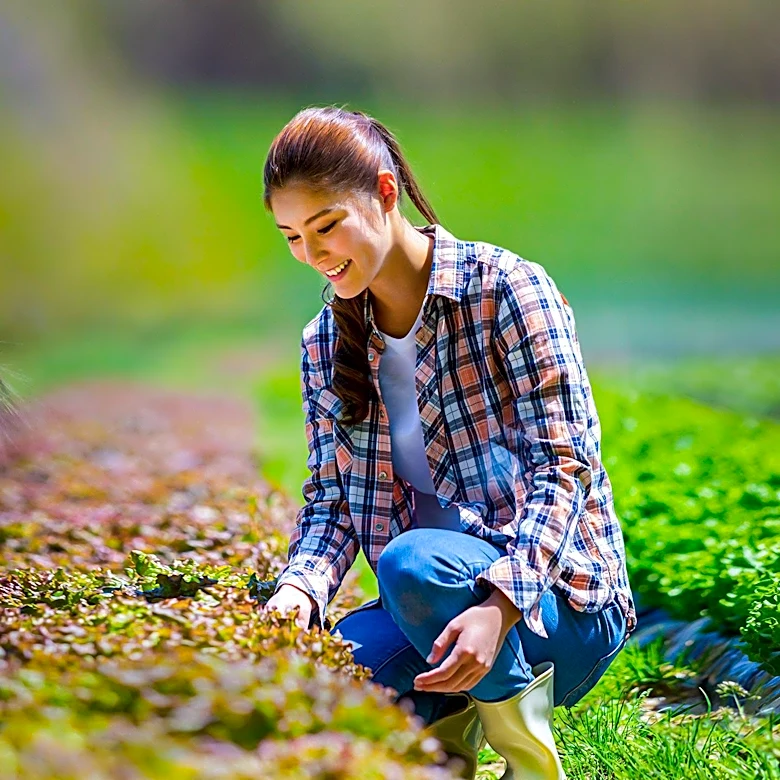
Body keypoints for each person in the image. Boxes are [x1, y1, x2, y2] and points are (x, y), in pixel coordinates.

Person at [260, 106, 636, 780]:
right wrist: (301, 590)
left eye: (326, 226)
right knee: (329, 679)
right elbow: (331, 502)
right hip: (428, 609)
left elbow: (565, 464)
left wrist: (499, 606)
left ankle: (528, 760)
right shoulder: (324, 342)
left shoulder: (506, 290)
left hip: (554, 608)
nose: (313, 256)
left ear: (385, 193)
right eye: (291, 237)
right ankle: (449, 751)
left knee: (411, 562)